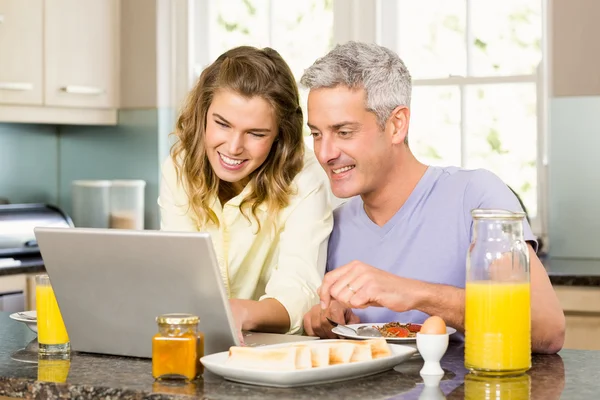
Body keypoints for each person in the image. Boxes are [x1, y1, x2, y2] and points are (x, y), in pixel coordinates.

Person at [300, 42, 564, 353]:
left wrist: (414, 293)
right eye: (316, 134)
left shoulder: (476, 197)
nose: (325, 153)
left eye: (343, 132)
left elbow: (546, 328)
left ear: (397, 125)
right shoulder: (334, 224)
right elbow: (326, 325)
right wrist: (322, 321)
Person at [158, 46, 333, 336]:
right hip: (198, 340)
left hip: (275, 355)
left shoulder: (306, 176)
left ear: (280, 136)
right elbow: (179, 275)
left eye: (256, 134)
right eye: (222, 124)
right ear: (203, 113)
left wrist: (241, 313)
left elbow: (299, 290)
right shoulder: (179, 167)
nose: (234, 147)